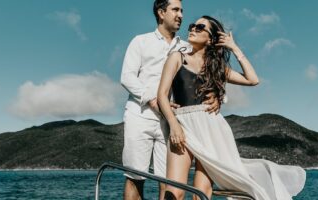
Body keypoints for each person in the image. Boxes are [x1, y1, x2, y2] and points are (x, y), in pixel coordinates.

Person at [157, 16, 306, 200]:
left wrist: (234, 48)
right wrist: (174, 125)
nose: (193, 29)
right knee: (174, 192)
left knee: (201, 194)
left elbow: (253, 79)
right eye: (192, 25)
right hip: (182, 126)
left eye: (200, 27)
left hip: (212, 129)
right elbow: (162, 95)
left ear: (211, 39)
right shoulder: (177, 57)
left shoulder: (217, 68)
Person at [120, 1, 220, 199]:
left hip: (174, 121)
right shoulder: (140, 41)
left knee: (168, 180)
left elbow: (206, 71)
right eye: (175, 10)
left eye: (182, 10)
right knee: (135, 177)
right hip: (140, 116)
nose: (181, 15)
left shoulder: (186, 47)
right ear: (161, 12)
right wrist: (153, 99)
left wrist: (217, 96)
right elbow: (127, 77)